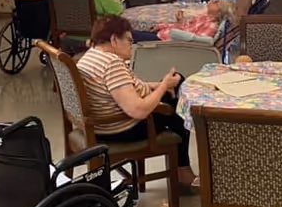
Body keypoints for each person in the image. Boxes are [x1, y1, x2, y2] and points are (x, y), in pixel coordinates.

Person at [76, 15, 196, 189]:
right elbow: (138, 111)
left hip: (101, 123)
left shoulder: (92, 56)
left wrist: (159, 85)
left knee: (176, 88)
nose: (131, 46)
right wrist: (163, 87)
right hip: (120, 128)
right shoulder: (112, 64)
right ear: (114, 39)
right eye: (129, 40)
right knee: (179, 112)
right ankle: (183, 171)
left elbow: (120, 88)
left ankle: (182, 169)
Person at [153, 0, 235, 43]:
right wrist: (160, 26)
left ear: (219, 11)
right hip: (162, 34)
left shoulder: (210, 26)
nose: (213, 0)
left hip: (164, 41)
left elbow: (193, 41)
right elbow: (185, 27)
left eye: (216, 3)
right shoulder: (203, 17)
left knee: (140, 37)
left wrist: (180, 23)